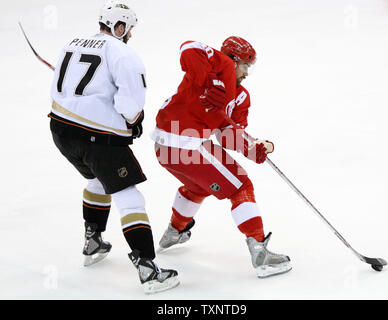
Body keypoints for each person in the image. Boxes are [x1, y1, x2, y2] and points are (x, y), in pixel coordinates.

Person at [48, 1, 179, 294]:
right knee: (129, 197)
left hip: (60, 131)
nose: (130, 34)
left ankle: (93, 240)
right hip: (95, 139)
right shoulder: (123, 53)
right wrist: (134, 120)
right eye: (128, 29)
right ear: (119, 27)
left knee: (96, 181)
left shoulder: (71, 43)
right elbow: (130, 105)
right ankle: (148, 269)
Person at [151, 36, 292, 278]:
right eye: (245, 65)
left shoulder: (241, 97)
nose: (247, 73)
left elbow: (226, 134)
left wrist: (254, 146)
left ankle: (175, 231)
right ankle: (259, 249)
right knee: (241, 187)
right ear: (234, 60)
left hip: (164, 149)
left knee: (198, 187)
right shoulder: (219, 64)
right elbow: (188, 47)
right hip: (188, 144)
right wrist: (211, 80)